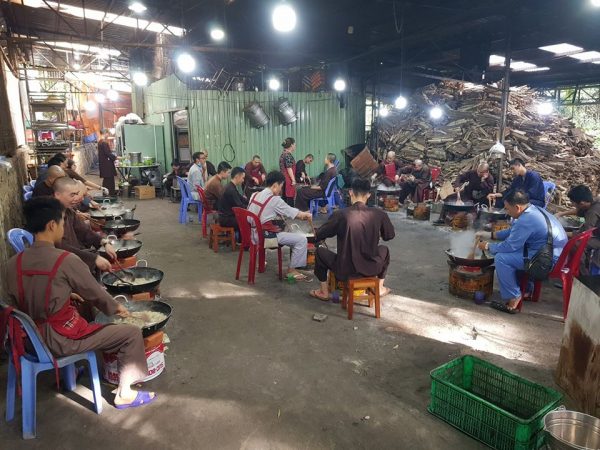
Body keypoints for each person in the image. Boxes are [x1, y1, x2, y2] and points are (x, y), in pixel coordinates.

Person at [3, 197, 155, 408]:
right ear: (52, 225)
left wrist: (66, 294)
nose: (64, 228)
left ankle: (70, 371)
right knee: (130, 334)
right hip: (58, 340)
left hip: (27, 339)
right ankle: (126, 394)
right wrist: (117, 307)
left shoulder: (12, 263)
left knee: (78, 306)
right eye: (63, 223)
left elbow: (26, 295)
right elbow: (96, 295)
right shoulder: (64, 259)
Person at [476, 190, 567, 314]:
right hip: (554, 253)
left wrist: (487, 246)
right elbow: (513, 232)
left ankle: (514, 296)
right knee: (512, 252)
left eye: (507, 209)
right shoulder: (533, 210)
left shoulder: (526, 220)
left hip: (547, 260)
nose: (506, 212)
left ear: (517, 207)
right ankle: (527, 290)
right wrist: (491, 234)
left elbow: (509, 246)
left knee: (501, 258)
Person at [309, 177, 395, 301]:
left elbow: (321, 234)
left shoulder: (340, 214)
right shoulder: (379, 214)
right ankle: (380, 288)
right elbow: (389, 236)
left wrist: (317, 233)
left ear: (350, 192)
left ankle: (324, 292)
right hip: (371, 267)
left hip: (344, 270)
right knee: (384, 250)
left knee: (320, 252)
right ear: (369, 195)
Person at [247, 171, 313, 281]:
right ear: (275, 185)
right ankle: (292, 271)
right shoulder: (274, 200)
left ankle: (261, 261)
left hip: (253, 236)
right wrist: (306, 215)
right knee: (301, 240)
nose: (281, 190)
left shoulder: (254, 195)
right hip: (265, 239)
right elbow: (293, 213)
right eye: (281, 186)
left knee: (283, 232)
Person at [52, 177, 115, 273]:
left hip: (74, 255)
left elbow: (84, 231)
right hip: (61, 262)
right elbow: (61, 247)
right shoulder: (51, 216)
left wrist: (104, 242)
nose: (76, 198)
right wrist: (93, 258)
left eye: (77, 194)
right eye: (72, 195)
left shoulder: (68, 210)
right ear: (57, 195)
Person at [559, 185, 600, 273]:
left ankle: (581, 275)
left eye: (573, 202)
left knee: (576, 244)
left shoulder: (592, 212)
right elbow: (579, 211)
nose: (572, 204)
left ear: (581, 203)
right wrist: (561, 213)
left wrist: (561, 232)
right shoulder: (592, 201)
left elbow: (583, 234)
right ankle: (571, 269)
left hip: (598, 238)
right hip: (596, 233)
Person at [98, 129, 118, 195]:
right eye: (108, 134)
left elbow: (107, 152)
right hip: (106, 165)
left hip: (104, 163)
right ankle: (109, 194)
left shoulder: (100, 142)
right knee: (109, 180)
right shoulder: (103, 142)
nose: (108, 135)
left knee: (108, 180)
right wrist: (115, 158)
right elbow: (107, 153)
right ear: (105, 133)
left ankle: (108, 193)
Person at [279, 137, 297, 206]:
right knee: (289, 197)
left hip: (283, 179)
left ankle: (285, 214)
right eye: (294, 144)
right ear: (291, 145)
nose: (295, 146)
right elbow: (289, 168)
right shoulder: (287, 155)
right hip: (288, 179)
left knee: (284, 196)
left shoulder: (283, 154)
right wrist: (293, 180)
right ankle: (290, 215)